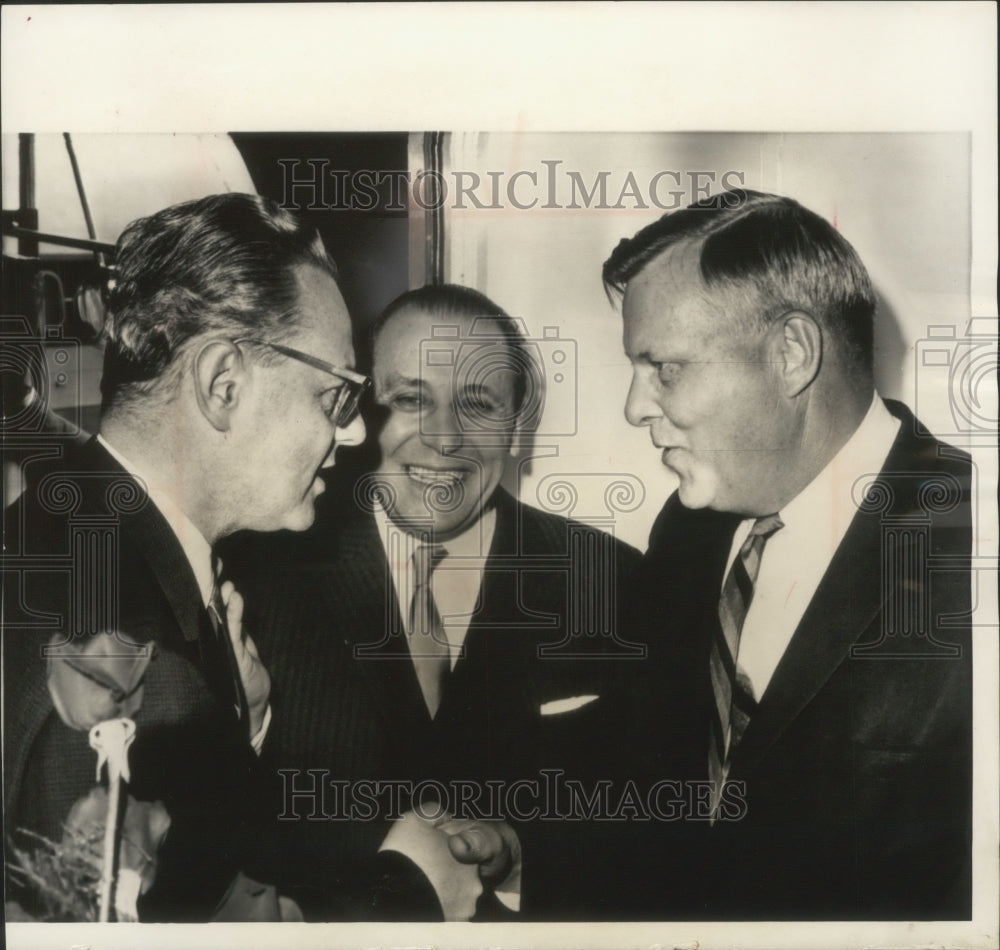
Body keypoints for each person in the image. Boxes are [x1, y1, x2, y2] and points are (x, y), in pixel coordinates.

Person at [602, 189, 972, 919]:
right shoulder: (685, 530)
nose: (635, 407)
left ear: (792, 354)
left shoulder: (973, 545)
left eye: (665, 368)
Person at [2, 193, 367, 921]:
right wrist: (408, 892)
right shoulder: (117, 640)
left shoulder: (71, 529)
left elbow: (187, 859)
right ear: (223, 384)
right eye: (335, 396)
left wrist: (245, 722)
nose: (352, 436)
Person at [242, 284, 641, 920]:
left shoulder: (610, 583)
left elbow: (638, 826)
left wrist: (519, 851)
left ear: (516, 426)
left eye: (478, 404)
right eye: (409, 400)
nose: (446, 438)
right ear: (357, 415)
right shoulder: (259, 572)